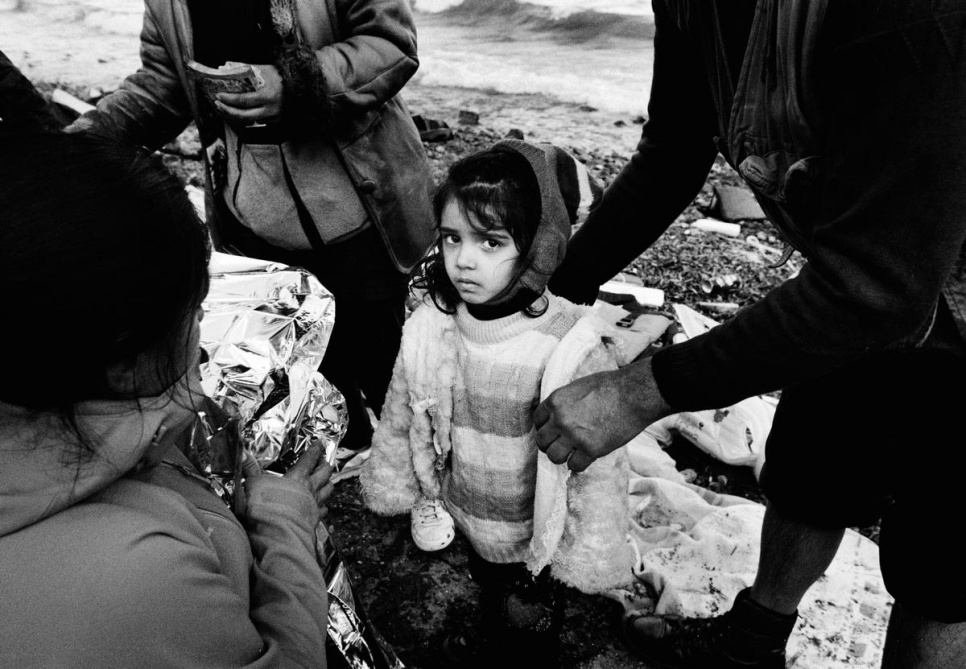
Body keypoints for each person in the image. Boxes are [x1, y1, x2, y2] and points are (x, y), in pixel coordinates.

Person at [535, 2, 966, 668]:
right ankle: (750, 647)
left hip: (935, 276)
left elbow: (878, 286)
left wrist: (638, 391)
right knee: (815, 453)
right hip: (857, 256)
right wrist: (559, 287)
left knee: (943, 557)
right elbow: (678, 144)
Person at [0, 132, 333, 667]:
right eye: (197, 310)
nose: (203, 335)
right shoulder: (138, 582)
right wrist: (284, 522)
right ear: (124, 363)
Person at [67, 0, 436, 475]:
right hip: (253, 216)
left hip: (363, 209)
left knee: (391, 356)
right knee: (311, 360)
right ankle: (346, 455)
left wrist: (295, 85)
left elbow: (391, 44)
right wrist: (78, 142)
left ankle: (420, 473)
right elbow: (163, 85)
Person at [359, 140, 632, 667]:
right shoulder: (433, 326)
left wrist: (591, 545)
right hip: (469, 504)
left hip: (536, 528)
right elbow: (403, 411)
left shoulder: (567, 345)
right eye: (453, 238)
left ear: (537, 245)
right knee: (488, 581)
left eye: (490, 242)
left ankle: (524, 651)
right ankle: (495, 636)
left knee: (530, 611)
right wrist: (395, 482)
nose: (463, 260)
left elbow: (601, 465)